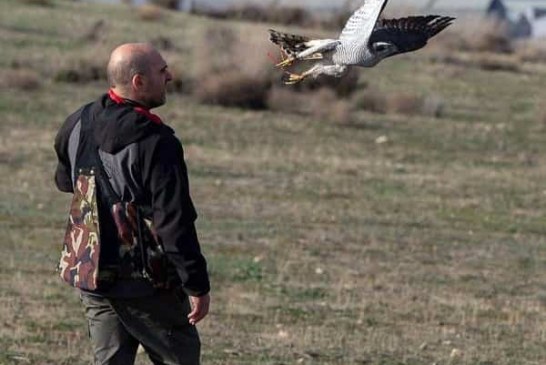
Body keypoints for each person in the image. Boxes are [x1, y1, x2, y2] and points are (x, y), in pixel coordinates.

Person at [54, 43, 210, 365]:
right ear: (138, 82)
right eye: (162, 71)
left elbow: (65, 181)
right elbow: (173, 222)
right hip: (145, 284)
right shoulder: (157, 142)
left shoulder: (77, 122)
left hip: (91, 273)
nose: (170, 76)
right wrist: (196, 283)